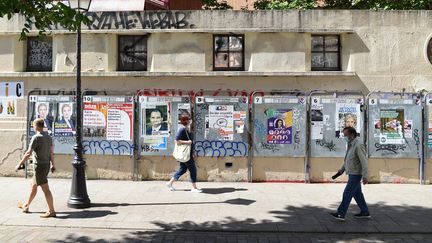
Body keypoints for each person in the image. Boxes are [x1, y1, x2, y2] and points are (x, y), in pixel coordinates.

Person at [15, 118, 56, 218]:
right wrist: (53, 164)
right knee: (33, 186)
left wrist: (19, 164)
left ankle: (51, 211)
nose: (33, 127)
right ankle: (26, 206)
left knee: (46, 189)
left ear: (36, 126)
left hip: (40, 166)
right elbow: (51, 153)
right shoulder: (48, 137)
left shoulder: (36, 137)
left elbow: (28, 153)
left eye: (33, 125)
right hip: (45, 165)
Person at [331, 127, 370, 221]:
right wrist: (342, 169)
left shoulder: (358, 145)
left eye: (345, 135)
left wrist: (365, 175)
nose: (344, 136)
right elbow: (349, 159)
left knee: (347, 193)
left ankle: (341, 213)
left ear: (351, 134)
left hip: (356, 174)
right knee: (357, 194)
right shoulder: (351, 144)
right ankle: (365, 212)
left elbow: (364, 161)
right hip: (352, 172)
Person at [166, 114, 202, 193]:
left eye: (190, 119)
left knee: (183, 169)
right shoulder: (182, 129)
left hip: (188, 154)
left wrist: (192, 152)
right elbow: (177, 141)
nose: (190, 121)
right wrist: (187, 142)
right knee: (193, 170)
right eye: (188, 119)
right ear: (185, 120)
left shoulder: (186, 129)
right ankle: (194, 187)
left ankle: (170, 183)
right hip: (185, 154)